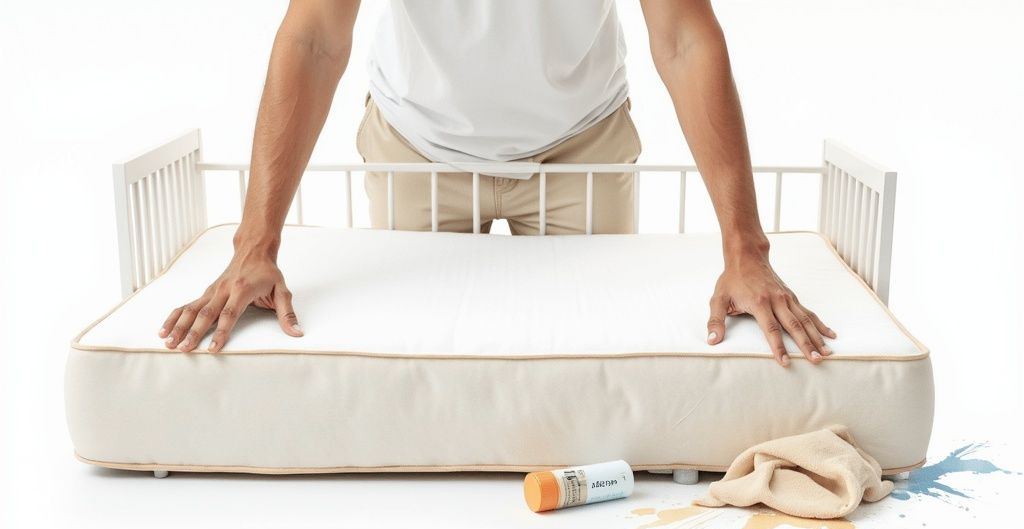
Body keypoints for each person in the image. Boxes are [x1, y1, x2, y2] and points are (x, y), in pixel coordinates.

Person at [159, 0, 836, 368]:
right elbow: (313, 39)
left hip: (581, 144)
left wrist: (747, 252)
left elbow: (685, 38)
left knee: (599, 358)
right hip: (417, 145)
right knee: (410, 364)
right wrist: (255, 247)